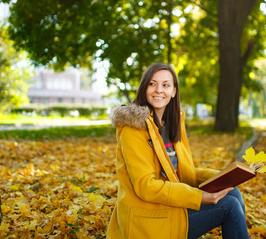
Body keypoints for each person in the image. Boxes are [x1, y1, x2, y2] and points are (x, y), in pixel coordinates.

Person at [106, 63, 249, 239]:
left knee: (233, 191)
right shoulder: (133, 129)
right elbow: (147, 187)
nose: (159, 90)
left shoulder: (173, 125)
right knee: (230, 206)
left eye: (166, 85)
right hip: (148, 219)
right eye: (152, 84)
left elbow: (182, 173)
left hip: (170, 206)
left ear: (174, 91)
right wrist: (199, 197)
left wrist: (225, 177)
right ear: (144, 88)